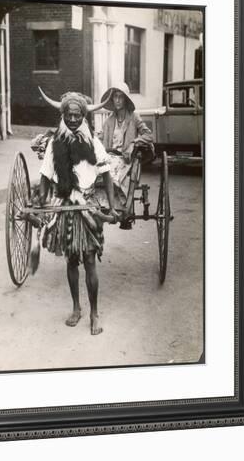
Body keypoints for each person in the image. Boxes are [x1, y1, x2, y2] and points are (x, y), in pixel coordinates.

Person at [37, 89, 117, 335]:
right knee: (71, 260)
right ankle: (76, 308)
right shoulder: (54, 143)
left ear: (84, 115)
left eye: (77, 115)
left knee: (90, 260)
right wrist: (41, 201)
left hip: (88, 206)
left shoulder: (93, 142)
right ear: (64, 115)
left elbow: (107, 174)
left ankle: (94, 313)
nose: (72, 119)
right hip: (65, 206)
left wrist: (112, 207)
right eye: (68, 115)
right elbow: (45, 175)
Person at [100, 84, 154, 216]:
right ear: (112, 100)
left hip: (126, 159)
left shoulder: (134, 117)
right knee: (98, 173)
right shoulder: (108, 121)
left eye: (120, 97)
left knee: (113, 176)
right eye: (115, 97)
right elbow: (100, 139)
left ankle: (122, 207)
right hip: (109, 157)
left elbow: (149, 135)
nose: (117, 100)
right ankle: (103, 204)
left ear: (125, 99)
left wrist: (133, 144)